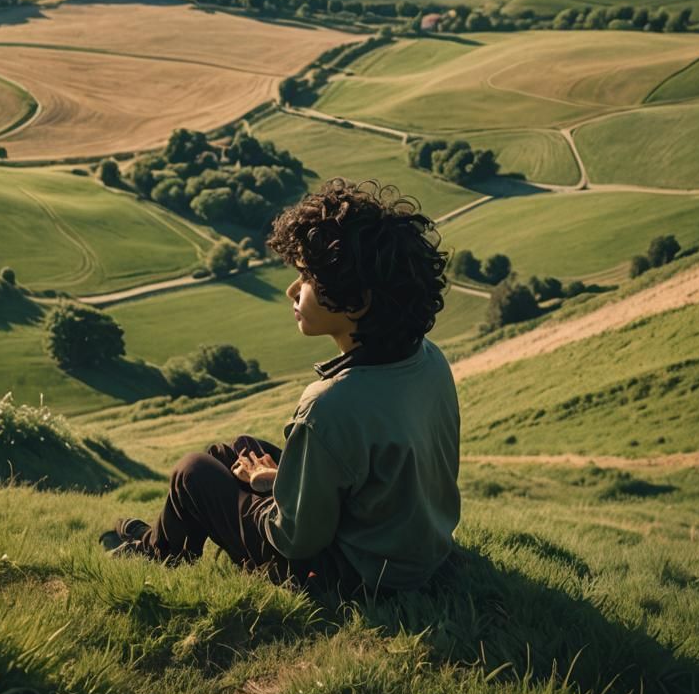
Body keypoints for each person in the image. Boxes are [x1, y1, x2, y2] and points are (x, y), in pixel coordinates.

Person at [101, 178, 461, 599]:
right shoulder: (427, 358)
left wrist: (274, 493)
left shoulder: (331, 404)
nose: (292, 289)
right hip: (409, 547)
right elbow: (371, 474)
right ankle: (162, 545)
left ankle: (159, 552)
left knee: (193, 472)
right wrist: (276, 480)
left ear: (358, 302)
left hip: (349, 575)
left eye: (307, 277)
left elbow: (297, 539)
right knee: (238, 449)